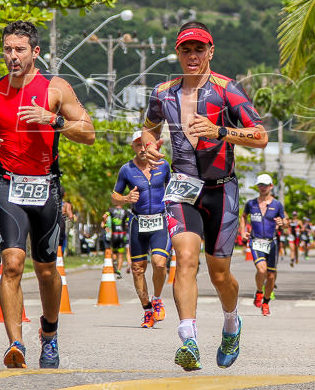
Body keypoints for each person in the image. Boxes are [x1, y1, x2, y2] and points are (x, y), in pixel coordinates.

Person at [140, 21, 268, 371]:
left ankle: (231, 324)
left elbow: (260, 136)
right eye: (186, 49)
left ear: (211, 52)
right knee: (184, 259)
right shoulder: (163, 93)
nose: (192, 56)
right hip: (182, 186)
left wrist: (219, 131)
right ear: (178, 53)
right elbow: (149, 128)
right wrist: (150, 146)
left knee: (220, 275)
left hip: (221, 189)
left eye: (199, 49)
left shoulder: (228, 90)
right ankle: (189, 339)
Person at [0, 20, 95, 369]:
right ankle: (16, 343)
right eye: (8, 49)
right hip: (9, 184)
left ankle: (50, 334)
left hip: (46, 187)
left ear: (35, 52)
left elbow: (88, 132)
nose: (13, 56)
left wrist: (52, 119)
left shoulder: (55, 88)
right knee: (11, 264)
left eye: (20, 50)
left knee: (46, 270)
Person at [112, 130, 172, 329]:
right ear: (133, 147)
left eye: (144, 144)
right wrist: (126, 199)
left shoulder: (163, 166)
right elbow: (115, 196)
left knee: (159, 262)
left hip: (160, 221)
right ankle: (147, 310)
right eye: (137, 145)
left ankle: (157, 299)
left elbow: (173, 190)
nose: (142, 148)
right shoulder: (126, 170)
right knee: (138, 269)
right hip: (138, 223)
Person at [244, 174, 286, 316]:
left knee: (271, 276)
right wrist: (243, 230)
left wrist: (283, 223)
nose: (262, 187)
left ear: (271, 186)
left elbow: (285, 222)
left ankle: (266, 303)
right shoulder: (251, 204)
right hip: (256, 241)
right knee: (261, 270)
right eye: (260, 185)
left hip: (272, 242)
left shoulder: (277, 205)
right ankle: (259, 292)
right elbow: (243, 216)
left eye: (265, 185)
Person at [107, 206, 129, 277]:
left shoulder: (111, 210)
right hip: (122, 235)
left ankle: (114, 260)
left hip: (114, 235)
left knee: (113, 252)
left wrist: (104, 224)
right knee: (121, 254)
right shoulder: (125, 211)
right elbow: (128, 222)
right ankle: (119, 271)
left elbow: (104, 216)